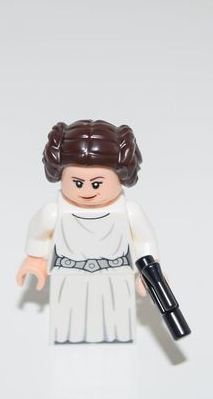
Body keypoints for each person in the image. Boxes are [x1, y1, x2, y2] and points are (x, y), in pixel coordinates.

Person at [16, 120, 159, 344]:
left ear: (121, 177)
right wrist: (34, 261)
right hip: (69, 279)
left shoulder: (129, 212)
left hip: (116, 279)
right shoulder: (53, 213)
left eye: (96, 184)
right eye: (77, 182)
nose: (86, 191)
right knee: (68, 325)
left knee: (117, 324)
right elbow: (38, 235)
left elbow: (144, 243)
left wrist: (151, 274)